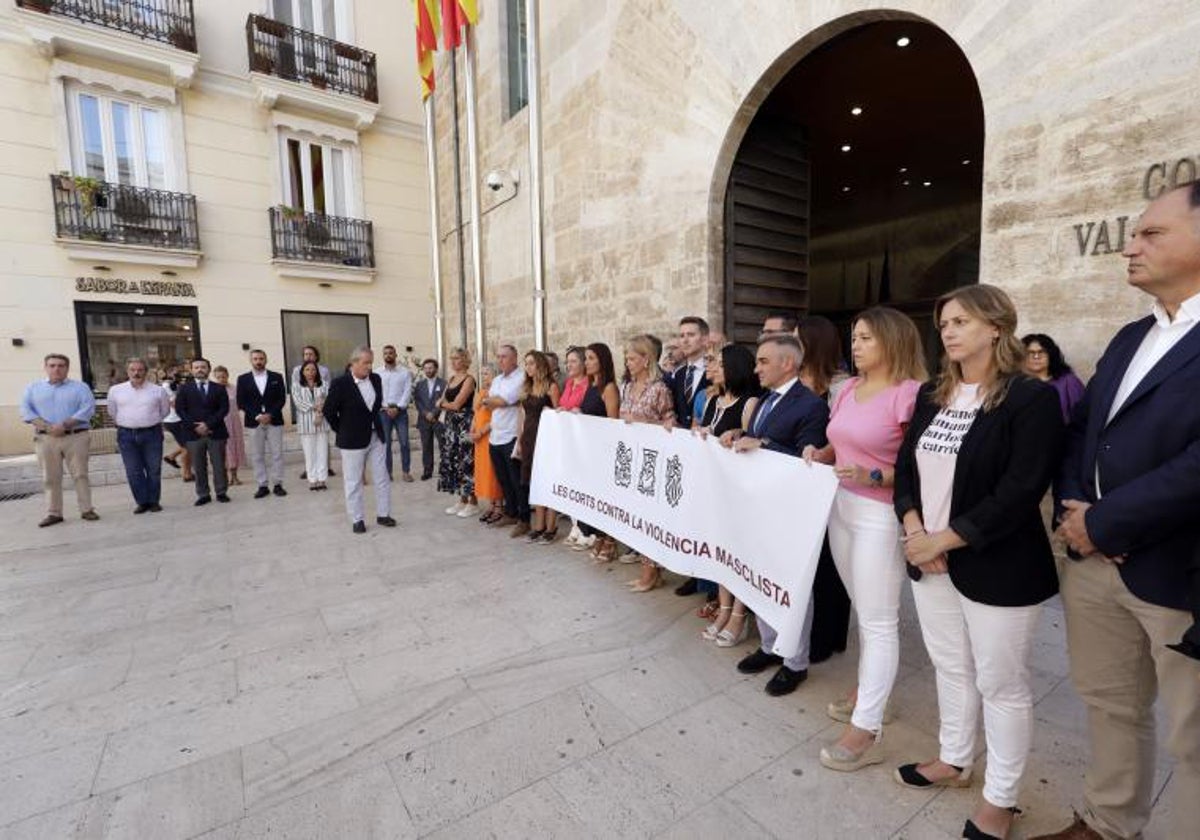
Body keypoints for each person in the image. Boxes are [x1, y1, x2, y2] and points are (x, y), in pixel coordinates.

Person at [1036, 182, 1200, 840]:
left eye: (1152, 233)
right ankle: (1108, 823)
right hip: (1094, 563)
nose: (1130, 247)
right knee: (1109, 706)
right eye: (1133, 234)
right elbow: (1083, 430)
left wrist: (1105, 523)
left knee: (1193, 738)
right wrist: (1078, 513)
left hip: (1178, 573)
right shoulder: (1133, 334)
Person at [890, 284, 1062, 840]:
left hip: (997, 563)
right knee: (950, 667)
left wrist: (947, 540)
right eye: (943, 323)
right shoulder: (930, 395)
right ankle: (953, 758)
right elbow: (907, 473)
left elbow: (1021, 489)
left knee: (1001, 683)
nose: (949, 331)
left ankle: (1002, 798)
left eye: (961, 320)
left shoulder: (1027, 399)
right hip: (929, 556)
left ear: (996, 327)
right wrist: (917, 532)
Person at [801, 307, 926, 772]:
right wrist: (821, 452)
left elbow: (918, 470)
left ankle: (865, 726)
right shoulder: (848, 388)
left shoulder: (910, 395)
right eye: (854, 337)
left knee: (878, 619)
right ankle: (875, 691)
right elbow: (841, 441)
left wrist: (873, 474)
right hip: (840, 506)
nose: (855, 345)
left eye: (866, 338)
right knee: (865, 609)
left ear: (892, 341)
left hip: (880, 514)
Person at [720, 334, 829, 696]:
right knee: (759, 576)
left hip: (789, 512)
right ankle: (768, 647)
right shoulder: (766, 400)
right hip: (759, 507)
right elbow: (756, 439)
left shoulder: (811, 405)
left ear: (788, 364)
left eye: (763, 361)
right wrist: (741, 433)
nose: (756, 368)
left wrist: (763, 444)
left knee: (792, 587)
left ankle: (795, 663)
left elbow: (807, 460)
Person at [695, 343, 761, 645]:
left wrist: (736, 435)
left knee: (738, 553)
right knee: (721, 551)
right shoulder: (713, 401)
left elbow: (752, 442)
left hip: (739, 492)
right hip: (714, 489)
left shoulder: (748, 403)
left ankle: (738, 614)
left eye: (720, 362)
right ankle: (723, 609)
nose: (714, 367)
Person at [798, 314, 854, 665]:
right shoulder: (803, 381)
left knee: (832, 566)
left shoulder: (841, 387)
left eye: (796, 338)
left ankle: (830, 636)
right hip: (808, 484)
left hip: (838, 484)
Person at [619, 334, 677, 590]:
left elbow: (671, 423)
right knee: (638, 516)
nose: (628, 362)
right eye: (627, 358)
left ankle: (650, 574)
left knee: (651, 517)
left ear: (646, 359)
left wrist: (647, 424)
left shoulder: (659, 389)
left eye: (632, 358)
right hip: (631, 459)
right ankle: (650, 571)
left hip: (653, 462)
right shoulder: (628, 387)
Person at [20, 353, 99, 526]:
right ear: (46, 367)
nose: (56, 369)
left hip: (76, 436)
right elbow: (26, 411)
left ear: (67, 368)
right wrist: (49, 427)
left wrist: (65, 425)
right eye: (52, 365)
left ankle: (87, 510)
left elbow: (88, 408)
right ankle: (54, 513)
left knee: (80, 474)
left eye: (61, 365)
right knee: (50, 477)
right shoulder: (33, 388)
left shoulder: (80, 387)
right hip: (46, 439)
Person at [322, 346, 395, 533]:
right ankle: (357, 519)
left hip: (376, 436)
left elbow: (375, 406)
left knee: (382, 477)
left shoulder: (376, 379)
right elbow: (329, 411)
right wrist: (343, 430)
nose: (369, 367)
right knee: (353, 481)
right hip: (352, 441)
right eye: (365, 363)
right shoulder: (340, 383)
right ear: (353, 363)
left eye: (371, 362)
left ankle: (383, 514)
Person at [574, 343, 622, 559]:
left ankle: (610, 539)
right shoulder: (591, 386)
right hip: (589, 451)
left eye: (591, 358)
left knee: (607, 498)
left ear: (602, 360)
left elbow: (612, 422)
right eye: (586, 358)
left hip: (604, 451)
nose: (587, 362)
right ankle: (600, 535)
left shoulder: (609, 388)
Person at [107, 357, 171, 514]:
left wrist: (148, 421)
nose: (136, 373)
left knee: (154, 469)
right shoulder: (116, 390)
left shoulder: (158, 390)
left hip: (152, 434)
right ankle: (142, 502)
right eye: (133, 370)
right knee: (133, 471)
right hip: (126, 435)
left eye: (140, 370)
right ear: (127, 371)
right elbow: (112, 412)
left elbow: (165, 411)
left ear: (146, 372)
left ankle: (154, 501)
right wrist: (129, 422)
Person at [515, 350, 560, 543]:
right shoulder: (527, 386)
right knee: (535, 483)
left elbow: (560, 416)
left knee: (547, 482)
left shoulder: (551, 387)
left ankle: (551, 527)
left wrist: (551, 410)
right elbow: (522, 416)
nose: (528, 367)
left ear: (540, 365)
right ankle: (538, 526)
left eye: (532, 363)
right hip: (529, 439)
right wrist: (518, 440)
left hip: (546, 440)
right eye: (526, 364)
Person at [481, 345, 526, 534]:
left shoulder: (521, 377)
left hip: (511, 435)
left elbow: (501, 401)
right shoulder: (498, 379)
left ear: (515, 358)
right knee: (504, 480)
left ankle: (524, 519)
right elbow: (490, 404)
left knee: (517, 480)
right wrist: (495, 401)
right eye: (498, 357)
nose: (500, 360)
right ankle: (511, 513)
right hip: (496, 436)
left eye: (504, 357)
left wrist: (496, 401)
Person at [174, 357, 231, 506]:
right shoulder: (184, 389)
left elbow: (224, 409)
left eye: (203, 367)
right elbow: (180, 410)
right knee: (198, 466)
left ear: (208, 369)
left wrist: (207, 424)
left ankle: (221, 492)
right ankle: (203, 494)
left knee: (219, 464)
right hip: (193, 434)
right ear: (191, 370)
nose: (200, 369)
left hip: (216, 431)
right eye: (196, 367)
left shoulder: (218, 388)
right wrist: (195, 427)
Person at [236, 350, 287, 499]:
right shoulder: (243, 379)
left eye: (261, 358)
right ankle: (262, 485)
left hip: (274, 420)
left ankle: (278, 484)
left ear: (266, 360)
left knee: (277, 454)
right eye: (255, 359)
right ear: (251, 361)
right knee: (257, 455)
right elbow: (241, 401)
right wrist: (258, 416)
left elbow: (281, 399)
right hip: (254, 422)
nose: (258, 361)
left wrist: (270, 414)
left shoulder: (277, 377)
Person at [437, 348, 478, 517]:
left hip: (464, 424)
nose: (453, 362)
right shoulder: (452, 379)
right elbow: (446, 400)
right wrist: (445, 403)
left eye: (457, 359)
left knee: (466, 462)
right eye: (451, 358)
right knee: (454, 461)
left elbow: (456, 404)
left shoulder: (469, 379)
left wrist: (442, 404)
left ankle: (473, 502)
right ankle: (462, 500)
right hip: (450, 425)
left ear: (465, 360)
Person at [558, 347, 591, 549]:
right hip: (568, 440)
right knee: (570, 483)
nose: (568, 365)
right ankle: (575, 524)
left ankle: (587, 529)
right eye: (567, 361)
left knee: (582, 484)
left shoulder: (587, 384)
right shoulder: (569, 383)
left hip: (583, 442)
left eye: (573, 361)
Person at [1021, 333, 1085, 424]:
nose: (1036, 357)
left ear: (1051, 355)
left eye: (1041, 352)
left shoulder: (1068, 382)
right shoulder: (1015, 384)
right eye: (1030, 353)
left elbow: (1082, 416)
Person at [290, 345, 333, 480]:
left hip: (322, 422)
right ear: (302, 372)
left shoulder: (324, 385)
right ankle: (312, 479)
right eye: (307, 370)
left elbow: (328, 398)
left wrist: (322, 408)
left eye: (313, 369)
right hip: (306, 423)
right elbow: (298, 402)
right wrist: (315, 406)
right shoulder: (297, 386)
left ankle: (322, 479)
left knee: (322, 452)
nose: (310, 372)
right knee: (309, 454)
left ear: (317, 371)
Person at [470, 364, 503, 522]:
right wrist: (473, 430)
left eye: (487, 373)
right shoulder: (480, 392)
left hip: (490, 435)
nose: (484, 377)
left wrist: (481, 432)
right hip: (479, 438)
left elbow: (496, 418)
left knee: (493, 471)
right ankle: (490, 504)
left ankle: (499, 507)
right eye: (482, 374)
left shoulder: (496, 393)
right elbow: (476, 414)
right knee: (484, 471)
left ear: (495, 375)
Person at [377, 344, 414, 482]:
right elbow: (377, 393)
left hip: (401, 413)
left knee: (404, 442)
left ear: (395, 355)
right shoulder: (377, 373)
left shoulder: (405, 372)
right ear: (383, 355)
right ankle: (388, 473)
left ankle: (406, 472)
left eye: (391, 353)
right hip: (383, 412)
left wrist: (398, 408)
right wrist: (385, 407)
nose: (388, 355)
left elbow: (407, 391)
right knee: (386, 444)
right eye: (386, 353)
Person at [211, 366, 246, 486]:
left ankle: (234, 476)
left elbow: (241, 404)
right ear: (215, 377)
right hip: (220, 423)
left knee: (234, 449)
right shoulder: (212, 390)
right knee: (223, 450)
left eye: (224, 376)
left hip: (234, 423)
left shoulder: (234, 389)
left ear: (227, 375)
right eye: (219, 377)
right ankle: (223, 478)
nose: (222, 379)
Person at [414, 358, 446, 481]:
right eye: (426, 368)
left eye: (430, 368)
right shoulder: (419, 384)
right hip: (424, 420)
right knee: (426, 446)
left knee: (443, 446)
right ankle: (427, 470)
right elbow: (418, 401)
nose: (428, 370)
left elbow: (444, 400)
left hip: (439, 420)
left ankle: (444, 470)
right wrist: (426, 413)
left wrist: (434, 413)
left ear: (436, 369)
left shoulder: (443, 384)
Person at [161, 364, 192, 481]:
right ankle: (186, 474)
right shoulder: (165, 386)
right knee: (187, 447)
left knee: (189, 444)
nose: (178, 374)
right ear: (168, 373)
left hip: (179, 419)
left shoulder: (176, 385)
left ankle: (171, 457)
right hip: (173, 420)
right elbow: (173, 403)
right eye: (174, 372)